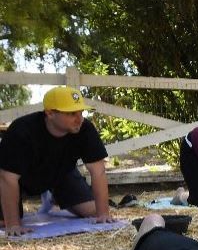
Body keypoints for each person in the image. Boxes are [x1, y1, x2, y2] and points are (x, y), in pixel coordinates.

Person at [0, 86, 114, 236]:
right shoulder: (22, 130)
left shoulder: (85, 129)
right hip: (19, 178)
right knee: (5, 222)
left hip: (61, 173)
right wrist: (13, 224)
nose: (79, 119)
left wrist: (103, 214)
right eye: (72, 113)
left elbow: (98, 171)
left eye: (81, 112)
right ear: (50, 113)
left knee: (92, 211)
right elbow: (7, 178)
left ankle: (54, 197)